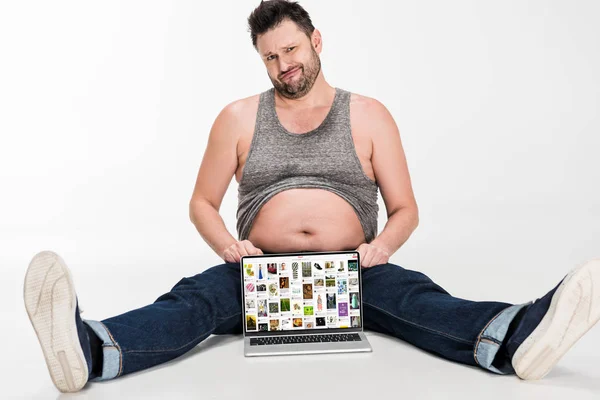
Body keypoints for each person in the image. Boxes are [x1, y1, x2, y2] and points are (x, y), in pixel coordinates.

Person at [23, 0, 600, 393]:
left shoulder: (370, 115)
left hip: (351, 272)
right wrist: (230, 247)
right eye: (270, 56)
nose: (284, 65)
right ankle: (89, 349)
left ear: (316, 40)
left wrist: (382, 249)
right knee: (191, 305)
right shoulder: (238, 117)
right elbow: (201, 202)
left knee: (421, 302)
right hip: (262, 273)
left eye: (291, 49)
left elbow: (405, 210)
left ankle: (518, 336)